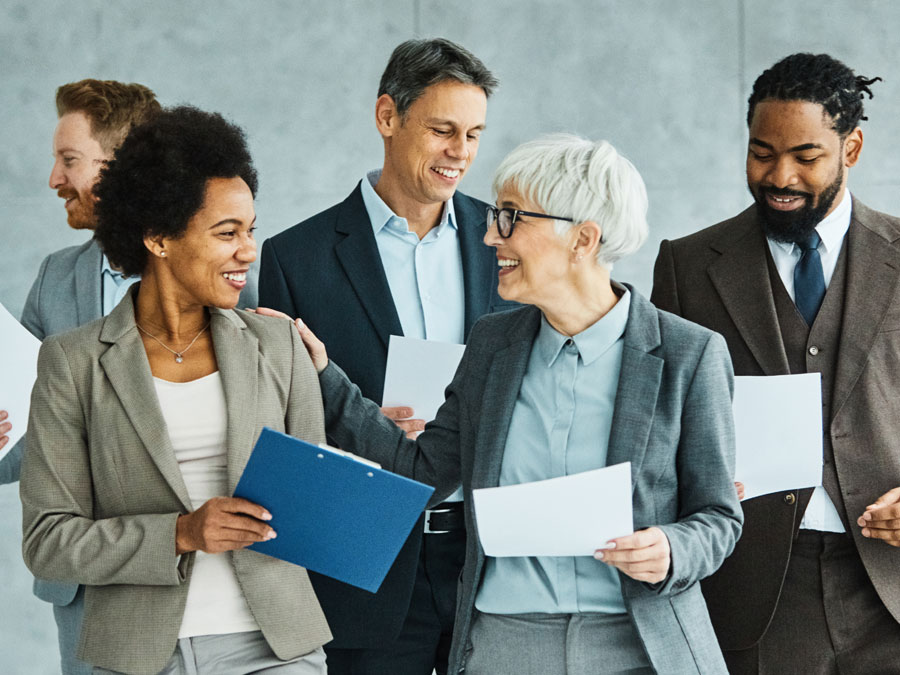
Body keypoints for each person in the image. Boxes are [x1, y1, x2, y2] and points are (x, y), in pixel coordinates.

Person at [297, 134, 742, 674]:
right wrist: (322, 374)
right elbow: (423, 471)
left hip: (638, 647)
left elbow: (718, 517)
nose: (489, 235)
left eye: (510, 218)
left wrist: (672, 549)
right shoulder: (493, 345)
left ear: (583, 238)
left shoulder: (689, 354)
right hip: (504, 647)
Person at [20, 106, 331, 675]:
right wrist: (182, 533)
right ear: (159, 238)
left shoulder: (278, 345)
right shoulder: (73, 363)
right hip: (139, 655)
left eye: (251, 230)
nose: (249, 251)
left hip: (276, 648)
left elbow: (312, 504)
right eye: (227, 233)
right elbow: (49, 541)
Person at [258, 38, 512, 674]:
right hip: (362, 569)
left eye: (474, 134)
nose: (460, 153)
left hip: (491, 568)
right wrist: (365, 432)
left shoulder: (507, 241)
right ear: (387, 117)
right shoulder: (298, 257)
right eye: (443, 130)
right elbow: (283, 426)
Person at [651, 52, 900, 672]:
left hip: (891, 589)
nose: (779, 175)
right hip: (754, 592)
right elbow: (658, 423)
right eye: (761, 153)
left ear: (853, 148)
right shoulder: (686, 267)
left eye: (805, 157)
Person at [0, 78, 160, 675]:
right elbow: (27, 433)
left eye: (69, 160)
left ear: (119, 170)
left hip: (184, 563)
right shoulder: (55, 277)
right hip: (82, 586)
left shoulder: (218, 274)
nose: (53, 180)